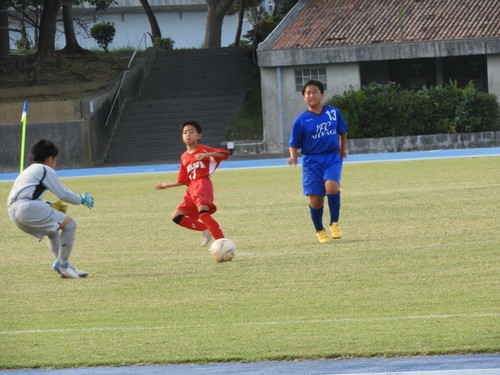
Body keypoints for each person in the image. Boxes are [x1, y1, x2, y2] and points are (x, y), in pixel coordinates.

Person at [7, 139, 95, 279]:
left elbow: (26, 196)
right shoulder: (45, 169)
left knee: (52, 231)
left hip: (13, 212)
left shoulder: (28, 170)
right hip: (28, 208)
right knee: (70, 224)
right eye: (55, 160)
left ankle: (61, 264)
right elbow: (63, 194)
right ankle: (63, 264)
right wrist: (81, 198)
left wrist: (52, 205)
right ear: (50, 159)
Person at [288, 79, 348, 243]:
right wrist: (293, 156)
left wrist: (342, 150)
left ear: (322, 94)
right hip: (311, 161)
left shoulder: (333, 113)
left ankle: (334, 223)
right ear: (304, 97)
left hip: (331, 157)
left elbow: (343, 131)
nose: (311, 95)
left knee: (331, 186)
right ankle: (319, 230)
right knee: (316, 199)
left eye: (315, 92)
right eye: (308, 93)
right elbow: (293, 142)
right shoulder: (301, 120)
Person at [155, 120, 230, 246]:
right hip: (191, 190)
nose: (188, 135)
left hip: (202, 185)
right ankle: (205, 229)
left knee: (204, 214)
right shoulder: (184, 157)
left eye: (191, 132)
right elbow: (183, 180)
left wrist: (207, 155)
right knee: (176, 216)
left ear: (199, 135)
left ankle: (222, 243)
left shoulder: (203, 150)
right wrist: (167, 185)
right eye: (185, 132)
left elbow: (225, 154)